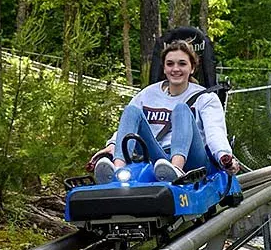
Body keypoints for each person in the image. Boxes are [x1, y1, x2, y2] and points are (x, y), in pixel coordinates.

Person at [89, 39, 241, 183]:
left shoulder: (206, 98)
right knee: (131, 110)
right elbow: (130, 123)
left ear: (192, 68)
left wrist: (224, 156)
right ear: (164, 68)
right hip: (157, 158)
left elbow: (215, 133)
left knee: (181, 109)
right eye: (170, 64)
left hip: (193, 159)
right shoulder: (147, 94)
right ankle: (117, 170)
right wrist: (112, 145)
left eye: (182, 64)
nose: (175, 69)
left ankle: (176, 169)